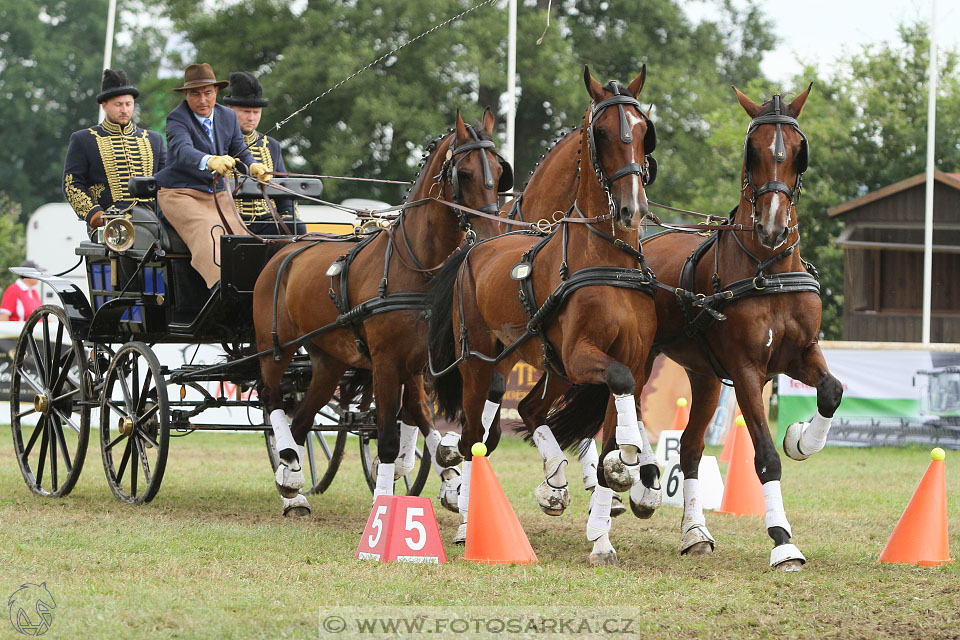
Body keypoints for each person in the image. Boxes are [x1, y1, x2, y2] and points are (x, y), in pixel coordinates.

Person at [154, 63, 271, 289]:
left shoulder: (227, 116)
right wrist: (209, 160)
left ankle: (252, 288)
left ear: (216, 91)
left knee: (239, 235)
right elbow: (182, 150)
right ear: (186, 95)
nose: (203, 100)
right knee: (209, 228)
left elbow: (239, 149)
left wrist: (252, 166)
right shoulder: (176, 119)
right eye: (195, 94)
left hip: (217, 194)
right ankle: (221, 288)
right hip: (180, 194)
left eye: (207, 93)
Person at [62, 69, 165, 228]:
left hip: (153, 221)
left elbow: (167, 181)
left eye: (128, 104)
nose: (124, 110)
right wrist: (94, 213)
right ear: (104, 105)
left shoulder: (154, 140)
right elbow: (72, 184)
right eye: (118, 105)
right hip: (109, 223)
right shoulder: (84, 139)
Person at [222, 71, 306, 235]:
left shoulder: (271, 145)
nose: (251, 118)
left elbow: (284, 189)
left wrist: (288, 218)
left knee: (297, 227)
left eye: (256, 112)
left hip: (265, 222)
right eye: (246, 111)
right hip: (227, 221)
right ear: (229, 109)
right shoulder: (217, 140)